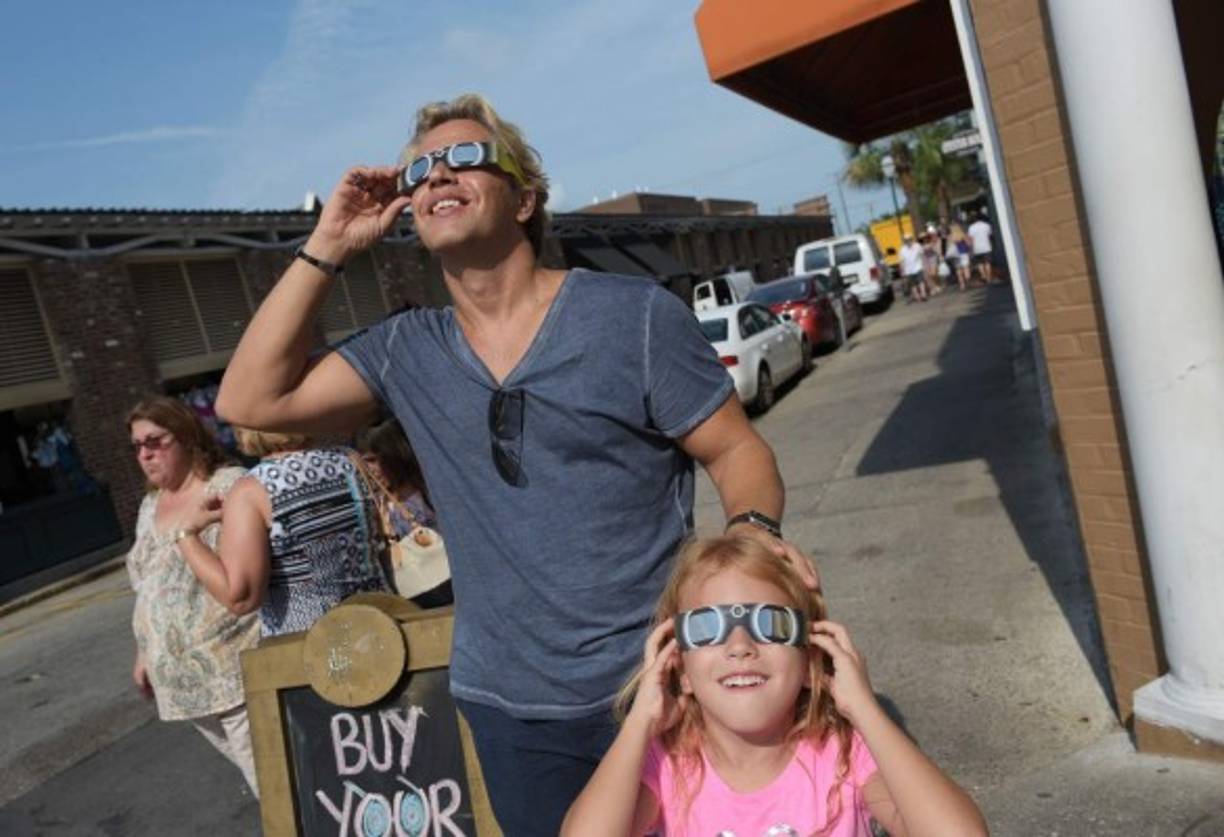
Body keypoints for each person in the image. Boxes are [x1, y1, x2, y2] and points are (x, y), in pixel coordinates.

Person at [214, 92, 813, 833]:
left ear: (525, 197)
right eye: (422, 171)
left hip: (660, 680)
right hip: (513, 712)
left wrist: (755, 536)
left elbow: (736, 447)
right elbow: (248, 399)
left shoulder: (634, 317)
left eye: (465, 159)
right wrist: (329, 243)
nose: (437, 177)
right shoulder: (407, 349)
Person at [562, 535, 988, 836]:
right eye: (707, 627)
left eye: (770, 625)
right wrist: (640, 722)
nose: (740, 645)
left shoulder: (842, 754)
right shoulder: (670, 765)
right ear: (681, 669)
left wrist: (866, 712)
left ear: (810, 660)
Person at [124, 397, 261, 796]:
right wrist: (143, 651)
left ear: (185, 436)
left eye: (155, 441)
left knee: (276, 786)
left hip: (235, 673)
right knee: (270, 787)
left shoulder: (228, 486)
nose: (145, 453)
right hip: (183, 690)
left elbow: (247, 574)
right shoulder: (151, 506)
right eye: (137, 446)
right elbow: (148, 583)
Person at [178, 428, 392, 637]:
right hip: (380, 627)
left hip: (311, 646)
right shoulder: (349, 460)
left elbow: (242, 597)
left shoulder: (252, 490)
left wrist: (187, 536)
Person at [355, 418, 454, 608]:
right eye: (364, 463)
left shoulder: (428, 497)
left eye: (373, 461)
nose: (369, 471)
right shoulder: (379, 504)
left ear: (393, 456)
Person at [968, 212, 995, 284]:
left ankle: (983, 276)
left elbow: (971, 239)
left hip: (977, 248)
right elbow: (990, 236)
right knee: (987, 263)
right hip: (987, 246)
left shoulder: (971, 227)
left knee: (979, 263)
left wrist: (971, 249)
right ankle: (989, 278)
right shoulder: (986, 225)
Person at [898, 234, 927, 302]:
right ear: (904, 241)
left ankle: (923, 295)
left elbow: (922, 255)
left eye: (909, 239)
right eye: (906, 240)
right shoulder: (902, 250)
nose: (908, 241)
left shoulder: (917, 246)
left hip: (918, 267)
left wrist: (924, 265)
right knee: (912, 285)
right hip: (908, 270)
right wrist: (902, 271)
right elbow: (901, 262)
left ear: (911, 239)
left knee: (921, 281)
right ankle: (917, 297)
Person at [948, 221, 973, 291]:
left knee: (958, 270)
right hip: (963, 253)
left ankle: (962, 285)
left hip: (955, 255)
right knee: (966, 268)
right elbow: (969, 244)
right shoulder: (962, 234)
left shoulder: (950, 237)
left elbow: (949, 247)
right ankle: (968, 282)